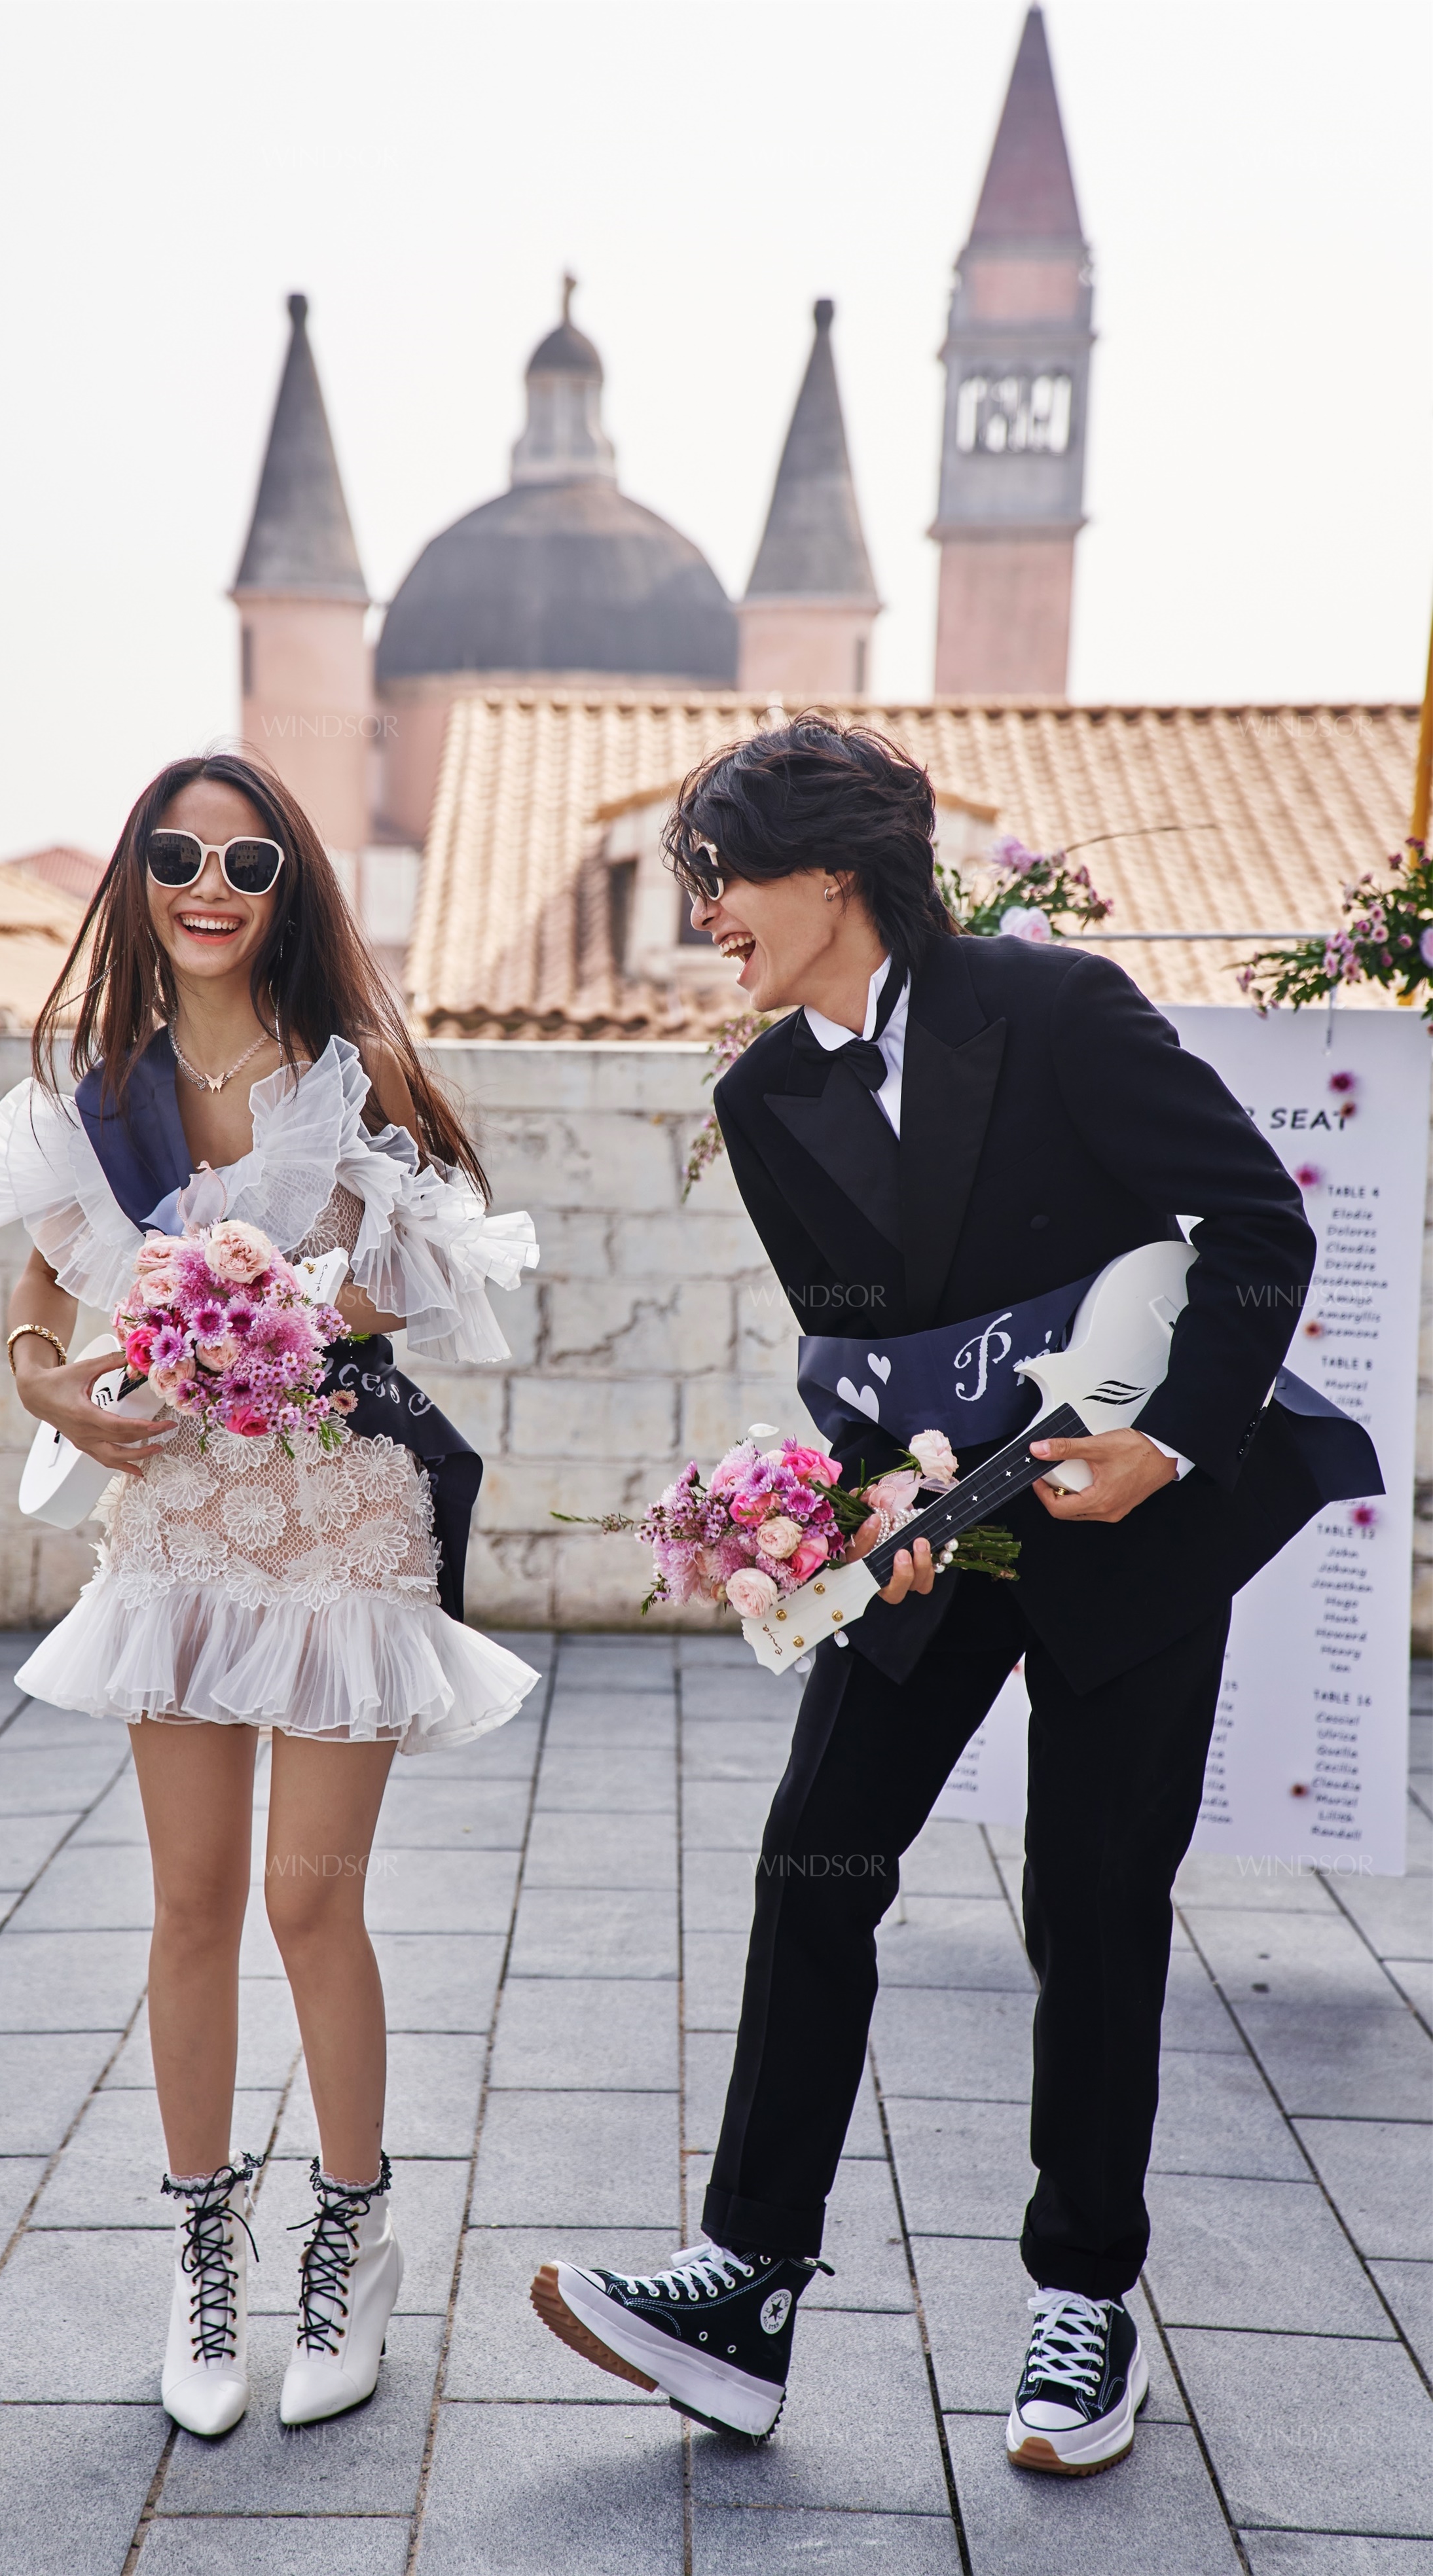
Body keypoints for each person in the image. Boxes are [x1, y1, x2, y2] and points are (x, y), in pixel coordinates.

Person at [532, 717, 1370, 2470]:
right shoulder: (763, 1099)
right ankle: (746, 2285)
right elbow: (860, 1356)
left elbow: (1253, 1228)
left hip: (1135, 1519)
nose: (707, 918)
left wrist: (1169, 1445)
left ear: (833, 873)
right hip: (950, 1534)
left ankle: (1085, 2302)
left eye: (722, 880)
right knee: (814, 1857)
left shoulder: (1054, 1011)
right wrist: (858, 1512)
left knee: (1094, 1898)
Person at [0, 751, 540, 2439]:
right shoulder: (100, 1093)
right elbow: (44, 1284)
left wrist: (281, 1305)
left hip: (340, 1513)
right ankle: (204, 2248)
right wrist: (46, 1383)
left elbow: (431, 1278)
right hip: (181, 1523)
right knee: (190, 1902)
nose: (211, 886)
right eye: (179, 855)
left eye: (249, 862)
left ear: (289, 892)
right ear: (138, 877)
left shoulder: (353, 1077)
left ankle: (353, 2235)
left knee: (306, 1902)